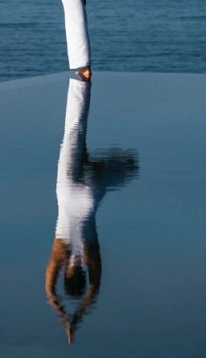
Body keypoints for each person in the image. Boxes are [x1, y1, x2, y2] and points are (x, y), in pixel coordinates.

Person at [45, 77, 139, 344]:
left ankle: (110, 164)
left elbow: (94, 290)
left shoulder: (91, 258)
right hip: (67, 193)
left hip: (89, 196)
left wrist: (79, 315)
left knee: (126, 167)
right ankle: (81, 83)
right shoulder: (59, 256)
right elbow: (49, 292)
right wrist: (63, 314)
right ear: (65, 275)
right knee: (74, 131)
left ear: (83, 275)